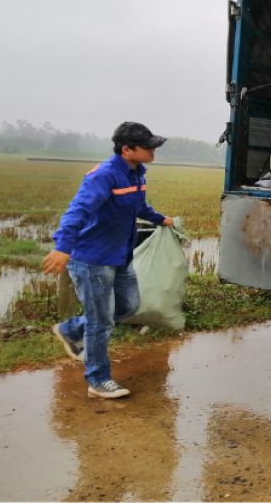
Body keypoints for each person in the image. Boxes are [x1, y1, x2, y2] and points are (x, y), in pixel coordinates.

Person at [42, 122, 175, 399]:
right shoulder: (103, 176)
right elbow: (77, 211)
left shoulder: (137, 173)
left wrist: (161, 219)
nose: (153, 151)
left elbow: (138, 206)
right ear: (127, 149)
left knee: (129, 305)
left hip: (119, 254)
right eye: (147, 147)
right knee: (101, 322)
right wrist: (63, 246)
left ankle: (70, 329)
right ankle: (98, 380)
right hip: (93, 259)